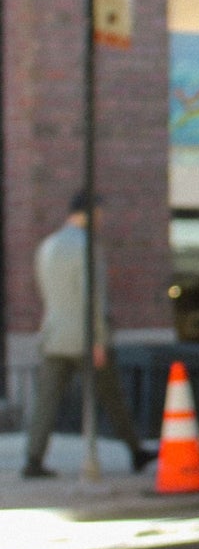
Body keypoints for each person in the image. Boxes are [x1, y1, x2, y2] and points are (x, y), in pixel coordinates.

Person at [23, 192, 152, 478]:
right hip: (85, 335)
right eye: (100, 215)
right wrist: (98, 338)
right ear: (89, 212)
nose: (101, 221)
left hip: (54, 334)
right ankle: (136, 451)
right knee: (112, 395)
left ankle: (33, 459)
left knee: (47, 401)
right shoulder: (86, 247)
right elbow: (92, 296)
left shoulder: (48, 245)